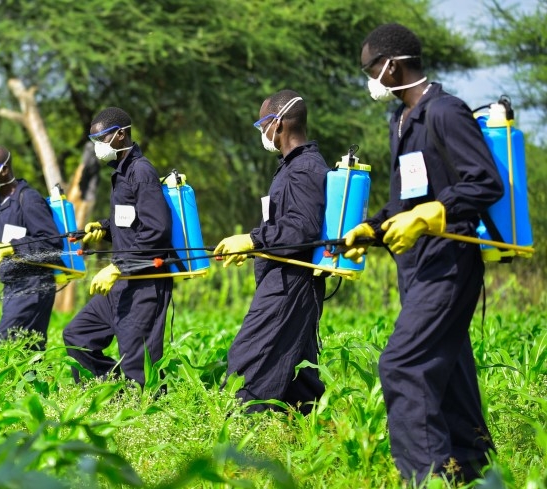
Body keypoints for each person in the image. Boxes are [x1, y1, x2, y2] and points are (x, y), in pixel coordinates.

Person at [344, 23, 503, 483]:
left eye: (370, 69)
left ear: (391, 65)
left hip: (450, 261)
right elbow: (407, 200)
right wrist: (372, 227)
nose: (370, 78)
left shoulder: (446, 111)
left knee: (403, 365)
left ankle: (426, 477)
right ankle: (473, 469)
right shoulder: (402, 121)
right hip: (417, 265)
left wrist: (433, 214)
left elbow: (485, 183)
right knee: (446, 366)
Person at [214, 90, 329, 415]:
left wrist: (252, 240)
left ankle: (238, 447)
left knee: (247, 362)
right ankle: (313, 433)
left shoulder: (304, 169)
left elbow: (302, 229)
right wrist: (252, 248)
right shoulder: (291, 167)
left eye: (261, 123)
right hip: (281, 277)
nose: (261, 131)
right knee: (297, 371)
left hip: (291, 283)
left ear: (276, 124)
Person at [62, 107, 173, 388]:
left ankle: (147, 410)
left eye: (102, 138)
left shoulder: (141, 171)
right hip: (121, 283)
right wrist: (103, 227)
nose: (98, 146)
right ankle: (115, 390)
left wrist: (117, 267)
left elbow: (157, 229)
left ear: (121, 135)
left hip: (144, 283)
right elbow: (132, 223)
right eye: (94, 139)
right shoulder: (121, 173)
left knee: (138, 364)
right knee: (78, 335)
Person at [0, 145, 61, 350]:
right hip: (12, 287)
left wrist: (12, 248)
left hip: (34, 286)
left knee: (1, 348)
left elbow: (51, 243)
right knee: (27, 352)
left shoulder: (28, 199)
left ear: (4, 169)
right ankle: (41, 382)